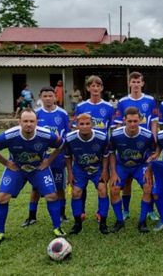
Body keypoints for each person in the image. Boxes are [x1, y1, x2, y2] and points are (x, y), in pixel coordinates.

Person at [0, 109, 65, 245]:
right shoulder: (9, 135)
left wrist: (48, 161)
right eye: (25, 121)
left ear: (36, 122)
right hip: (17, 169)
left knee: (52, 195)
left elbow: (61, 144)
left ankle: (57, 227)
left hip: (38, 168)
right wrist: (6, 163)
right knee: (2, 198)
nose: (29, 124)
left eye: (32, 121)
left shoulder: (45, 134)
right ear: (19, 122)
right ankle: (0, 232)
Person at [21, 86, 70, 227]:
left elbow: (66, 137)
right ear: (40, 98)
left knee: (60, 187)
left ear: (55, 97)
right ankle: (32, 216)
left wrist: (66, 156)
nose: (48, 98)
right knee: (36, 188)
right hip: (39, 159)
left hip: (58, 158)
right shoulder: (35, 114)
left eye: (50, 96)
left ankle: (62, 214)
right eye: (45, 96)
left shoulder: (62, 114)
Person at [113, 71, 159, 221]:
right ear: (129, 83)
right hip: (128, 141)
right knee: (126, 182)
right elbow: (119, 122)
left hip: (144, 143)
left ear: (142, 83)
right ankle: (125, 210)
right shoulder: (122, 101)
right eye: (133, 81)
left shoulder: (150, 100)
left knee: (148, 179)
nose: (136, 84)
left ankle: (150, 210)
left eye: (139, 81)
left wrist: (153, 137)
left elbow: (153, 121)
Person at [74, 75, 115, 220]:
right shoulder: (80, 107)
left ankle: (100, 213)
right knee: (81, 185)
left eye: (98, 85)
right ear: (88, 88)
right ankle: (81, 212)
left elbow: (112, 129)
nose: (95, 88)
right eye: (92, 85)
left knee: (102, 184)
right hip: (84, 151)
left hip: (102, 152)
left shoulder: (109, 107)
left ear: (102, 88)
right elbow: (76, 129)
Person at [109, 107, 156, 233]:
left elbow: (153, 154)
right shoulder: (115, 135)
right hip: (122, 165)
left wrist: (149, 171)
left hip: (140, 165)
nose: (132, 124)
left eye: (135, 121)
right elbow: (111, 153)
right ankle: (119, 221)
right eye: (129, 121)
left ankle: (142, 222)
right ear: (124, 120)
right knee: (113, 189)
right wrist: (113, 172)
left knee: (148, 187)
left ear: (140, 120)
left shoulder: (147, 135)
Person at [65, 113, 110, 235]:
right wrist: (69, 173)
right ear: (76, 125)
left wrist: (105, 171)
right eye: (82, 124)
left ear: (92, 125)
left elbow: (106, 155)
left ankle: (103, 222)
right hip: (80, 169)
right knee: (76, 192)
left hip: (97, 168)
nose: (85, 126)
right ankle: (77, 223)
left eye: (87, 124)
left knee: (102, 189)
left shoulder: (102, 137)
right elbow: (68, 156)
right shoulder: (69, 138)